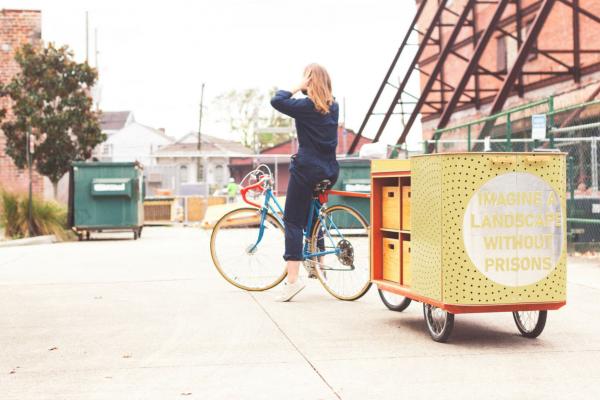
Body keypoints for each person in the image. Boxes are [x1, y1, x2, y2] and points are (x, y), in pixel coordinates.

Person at [270, 63, 339, 302]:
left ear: (309, 81)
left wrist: (297, 86)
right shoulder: (334, 106)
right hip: (329, 170)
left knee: (293, 221)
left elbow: (277, 101)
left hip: (307, 169)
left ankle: (292, 281)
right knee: (315, 213)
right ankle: (317, 263)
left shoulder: (306, 107)